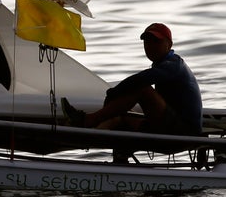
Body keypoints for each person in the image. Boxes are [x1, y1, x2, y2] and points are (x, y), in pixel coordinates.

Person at [61, 23, 203, 137]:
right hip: (170, 125)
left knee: (143, 89)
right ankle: (91, 139)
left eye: (156, 41)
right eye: (146, 42)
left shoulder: (173, 65)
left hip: (184, 132)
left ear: (169, 45)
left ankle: (88, 120)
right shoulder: (163, 64)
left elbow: (140, 79)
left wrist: (113, 93)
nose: (150, 46)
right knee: (120, 118)